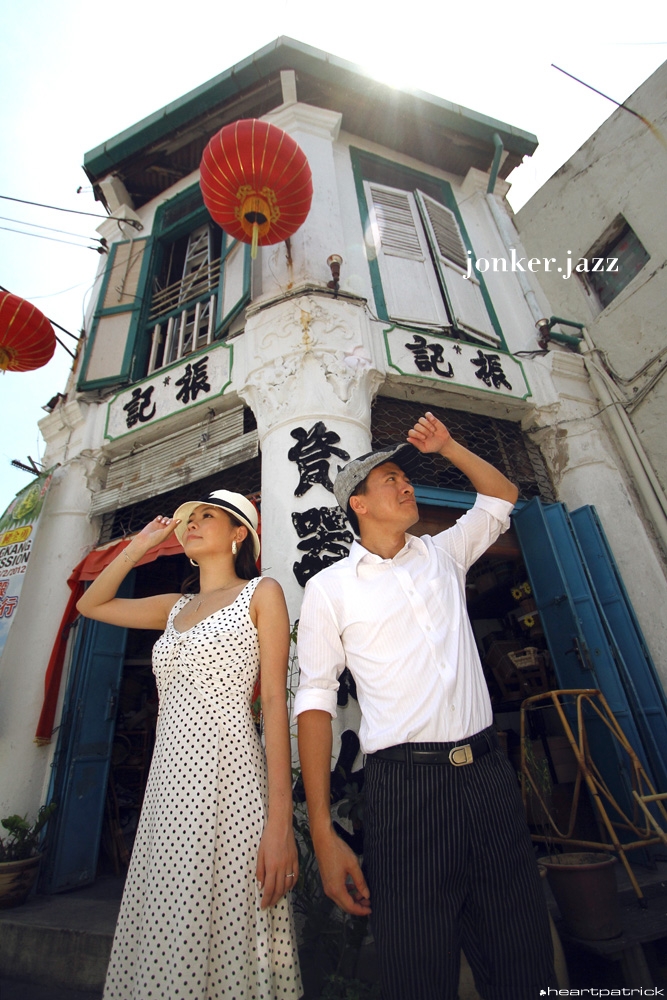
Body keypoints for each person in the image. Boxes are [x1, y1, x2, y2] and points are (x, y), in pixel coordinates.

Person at [294, 413, 555, 1000]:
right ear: (357, 505)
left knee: (521, 956)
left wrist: (449, 446)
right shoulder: (330, 588)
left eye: (405, 477)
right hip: (405, 789)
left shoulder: (443, 555)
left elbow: (501, 496)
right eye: (389, 479)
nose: (405, 484)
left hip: (487, 777)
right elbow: (314, 701)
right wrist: (323, 830)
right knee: (417, 966)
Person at [77, 489, 303, 1000]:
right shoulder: (173, 607)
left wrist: (280, 822)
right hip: (168, 781)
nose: (193, 524)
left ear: (239, 533)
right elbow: (92, 603)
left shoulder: (261, 592)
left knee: (229, 907)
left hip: (230, 775)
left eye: (207, 517)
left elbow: (272, 703)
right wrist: (141, 544)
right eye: (189, 519)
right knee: (170, 907)